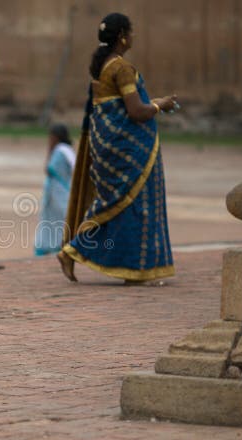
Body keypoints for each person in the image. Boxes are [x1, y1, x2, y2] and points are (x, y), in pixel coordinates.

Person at [57, 13, 178, 286]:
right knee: (136, 208)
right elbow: (136, 111)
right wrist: (161, 105)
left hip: (111, 148)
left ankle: (125, 267)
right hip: (130, 153)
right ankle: (75, 252)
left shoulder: (103, 66)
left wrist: (154, 102)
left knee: (121, 208)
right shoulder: (121, 68)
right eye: (131, 32)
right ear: (123, 35)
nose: (133, 37)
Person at [34, 124, 75, 256]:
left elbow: (49, 170)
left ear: (56, 138)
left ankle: (54, 247)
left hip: (57, 195)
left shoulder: (58, 151)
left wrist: (49, 151)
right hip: (63, 192)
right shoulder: (68, 150)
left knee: (55, 223)